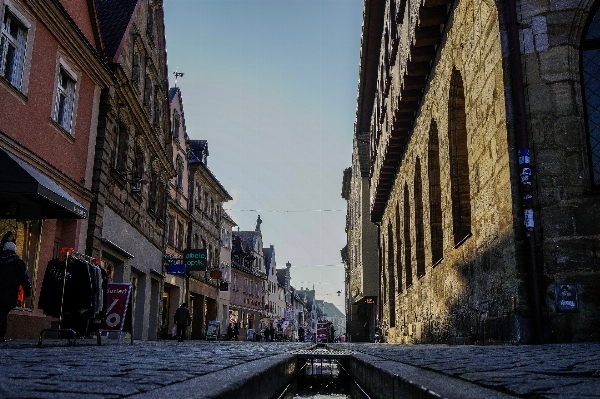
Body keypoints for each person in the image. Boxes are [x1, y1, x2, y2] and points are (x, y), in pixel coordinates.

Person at [0, 241, 32, 342]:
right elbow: (24, 278)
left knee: (2, 315)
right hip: (8, 294)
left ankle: (1, 336)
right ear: (14, 250)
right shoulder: (17, 262)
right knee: (2, 314)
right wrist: (28, 290)